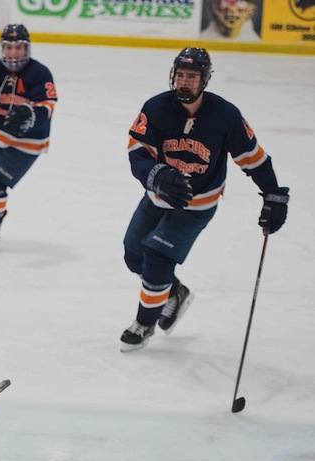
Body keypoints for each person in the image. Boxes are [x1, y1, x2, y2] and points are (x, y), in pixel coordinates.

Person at [121, 47, 289, 351]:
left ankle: (145, 323)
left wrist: (273, 194)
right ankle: (175, 293)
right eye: (181, 75)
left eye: (192, 76)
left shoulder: (225, 115)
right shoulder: (156, 108)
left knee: (157, 258)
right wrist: (157, 176)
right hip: (157, 197)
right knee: (134, 256)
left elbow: (253, 159)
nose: (185, 82)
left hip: (196, 206)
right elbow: (137, 152)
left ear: (205, 80)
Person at [0, 24, 57, 245]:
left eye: (18, 47)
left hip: (28, 142)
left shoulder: (40, 73)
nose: (13, 53)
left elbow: (47, 106)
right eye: (8, 47)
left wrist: (30, 116)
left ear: (27, 49)